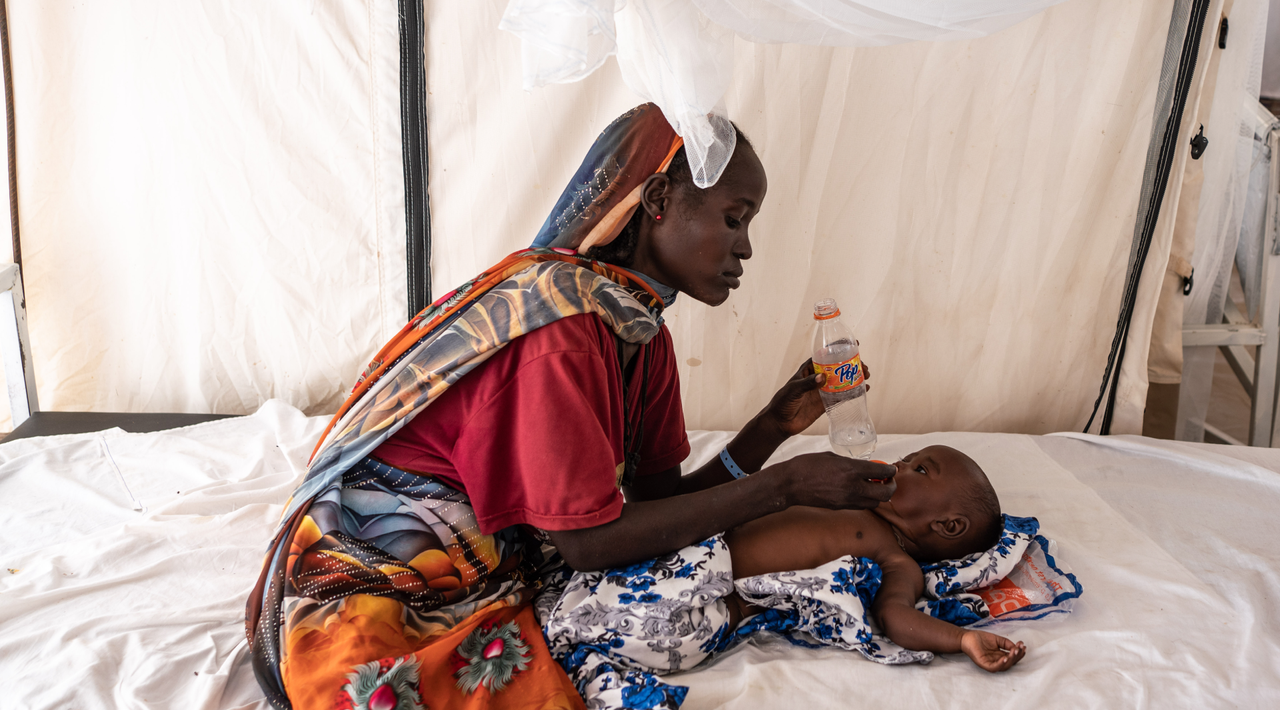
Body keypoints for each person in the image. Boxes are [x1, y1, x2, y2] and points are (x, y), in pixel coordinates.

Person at [246, 103, 896, 710]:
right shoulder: (561, 328)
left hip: (501, 556)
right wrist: (779, 488)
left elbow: (656, 512)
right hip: (375, 574)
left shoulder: (640, 331)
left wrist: (773, 427)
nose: (746, 247)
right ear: (661, 201)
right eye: (734, 217)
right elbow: (589, 544)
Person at [724, 445, 1027, 671]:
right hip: (714, 524)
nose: (898, 465)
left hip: (715, 576)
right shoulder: (855, 498)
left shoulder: (898, 562)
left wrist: (962, 639)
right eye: (907, 458)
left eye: (919, 469)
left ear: (948, 526)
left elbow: (894, 616)